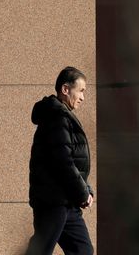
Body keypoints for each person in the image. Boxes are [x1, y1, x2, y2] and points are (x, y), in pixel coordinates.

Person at [25, 67, 94, 255]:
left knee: (83, 251)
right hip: (53, 202)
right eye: (80, 91)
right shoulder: (56, 118)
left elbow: (73, 162)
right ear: (65, 89)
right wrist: (82, 193)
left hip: (67, 202)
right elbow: (63, 162)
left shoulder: (63, 117)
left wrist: (85, 190)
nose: (82, 97)